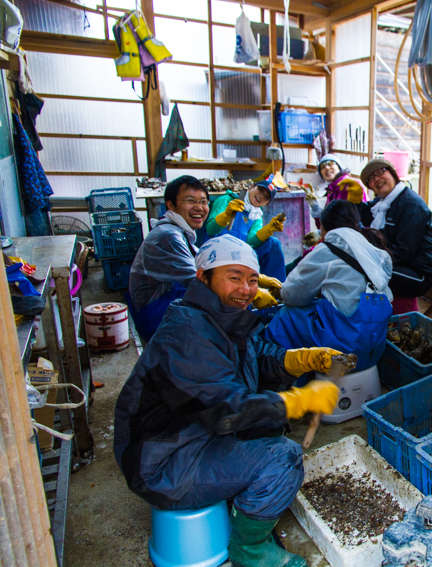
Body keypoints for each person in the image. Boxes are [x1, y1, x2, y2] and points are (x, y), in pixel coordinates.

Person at [114, 235, 343, 567]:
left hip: (187, 435)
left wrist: (299, 360)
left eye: (252, 279)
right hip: (162, 463)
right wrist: (298, 401)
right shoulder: (188, 335)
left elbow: (252, 358)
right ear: (203, 277)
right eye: (234, 277)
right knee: (283, 457)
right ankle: (250, 550)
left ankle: (237, 494)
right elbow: (227, 410)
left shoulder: (213, 317)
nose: (246, 289)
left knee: (269, 426)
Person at [264, 200, 394, 374]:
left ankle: (293, 381)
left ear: (325, 228)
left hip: (343, 347)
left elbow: (292, 295)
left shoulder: (327, 250)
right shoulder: (373, 249)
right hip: (374, 348)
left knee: (285, 316)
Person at [128, 175, 209, 341]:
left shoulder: (178, 231)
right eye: (190, 201)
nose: (199, 207)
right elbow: (198, 282)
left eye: (203, 202)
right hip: (155, 318)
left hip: (166, 303)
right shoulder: (168, 236)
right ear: (171, 205)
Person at [358, 158, 432, 314]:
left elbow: (404, 252)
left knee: (366, 271)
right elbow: (363, 213)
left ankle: (382, 320)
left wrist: (371, 258)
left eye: (380, 172)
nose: (377, 179)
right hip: (399, 265)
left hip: (417, 274)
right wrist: (354, 201)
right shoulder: (382, 203)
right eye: (371, 179)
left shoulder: (411, 205)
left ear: (393, 174)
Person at [204, 174, 289, 291]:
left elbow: (250, 241)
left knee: (273, 243)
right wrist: (227, 214)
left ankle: (278, 290)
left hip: (241, 254)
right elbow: (210, 229)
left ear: (266, 204)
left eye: (266, 197)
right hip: (217, 254)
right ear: (251, 187)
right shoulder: (228, 200)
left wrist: (269, 229)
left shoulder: (256, 216)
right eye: (260, 190)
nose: (261, 196)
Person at [305, 153, 366, 230]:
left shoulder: (350, 185)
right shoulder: (331, 191)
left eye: (330, 164)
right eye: (322, 167)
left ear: (339, 167)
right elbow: (325, 226)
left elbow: (353, 221)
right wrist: (315, 208)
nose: (326, 167)